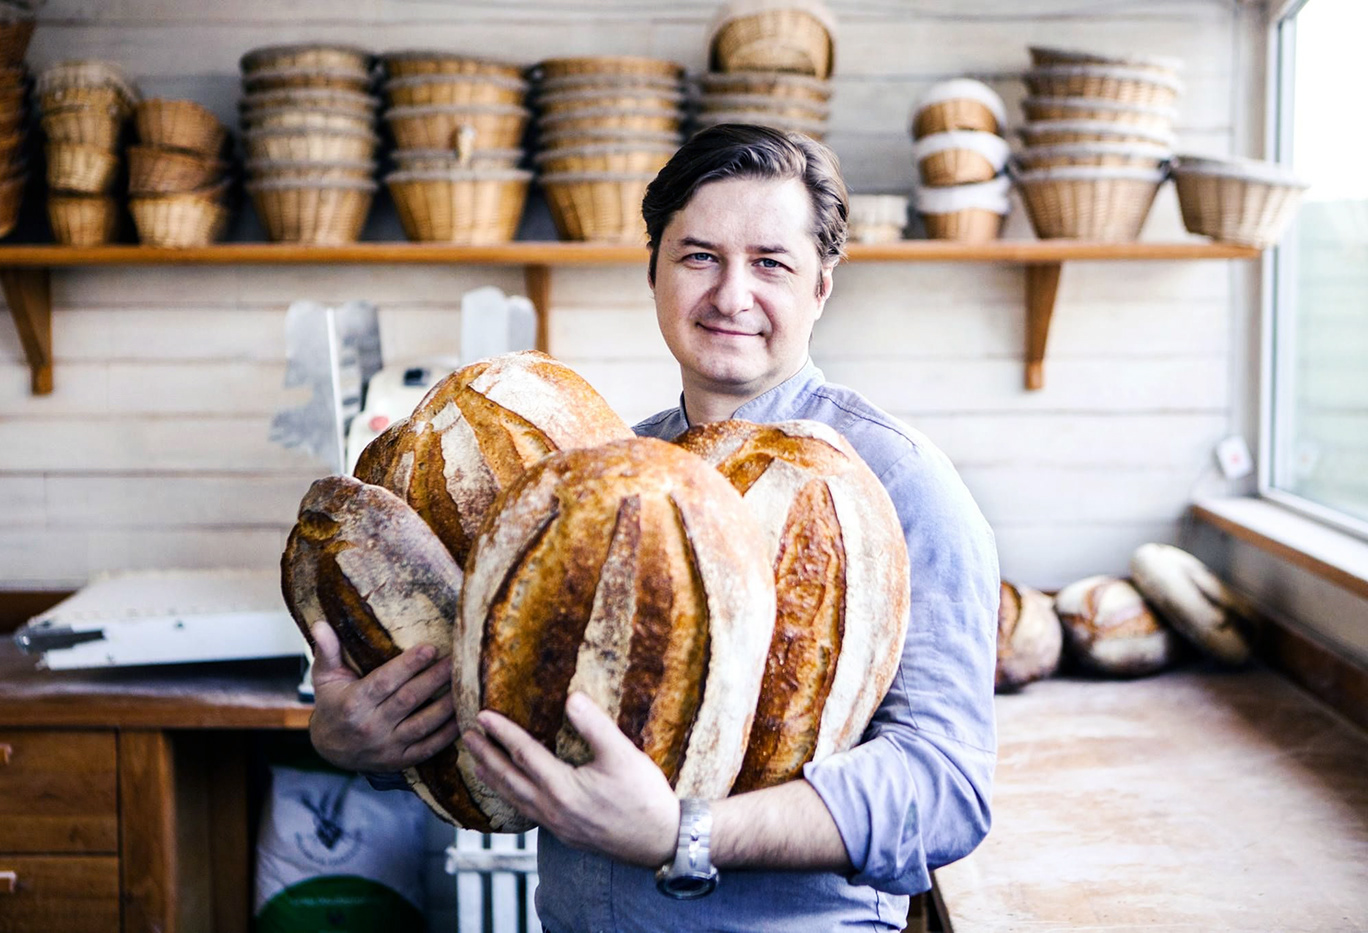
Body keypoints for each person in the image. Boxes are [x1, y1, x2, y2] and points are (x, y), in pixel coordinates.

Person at [307, 124, 999, 932]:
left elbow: (946, 788)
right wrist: (362, 743)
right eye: (699, 255)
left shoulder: (896, 481)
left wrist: (685, 834)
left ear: (821, 285)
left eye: (771, 262)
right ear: (655, 272)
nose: (732, 294)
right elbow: (507, 724)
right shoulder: (596, 470)